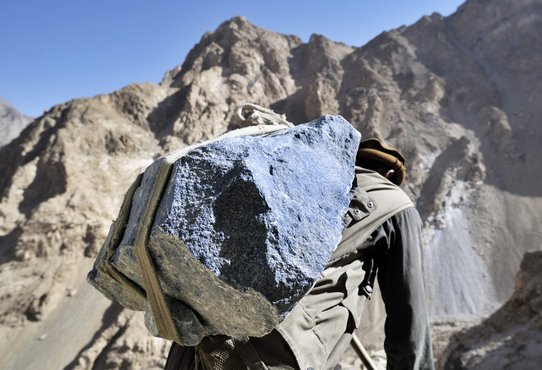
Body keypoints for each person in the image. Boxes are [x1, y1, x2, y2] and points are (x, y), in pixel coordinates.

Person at [165, 138, 434, 370]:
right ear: (388, 175)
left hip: (195, 341)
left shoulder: (301, 179)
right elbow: (409, 318)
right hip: (269, 351)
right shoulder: (395, 202)